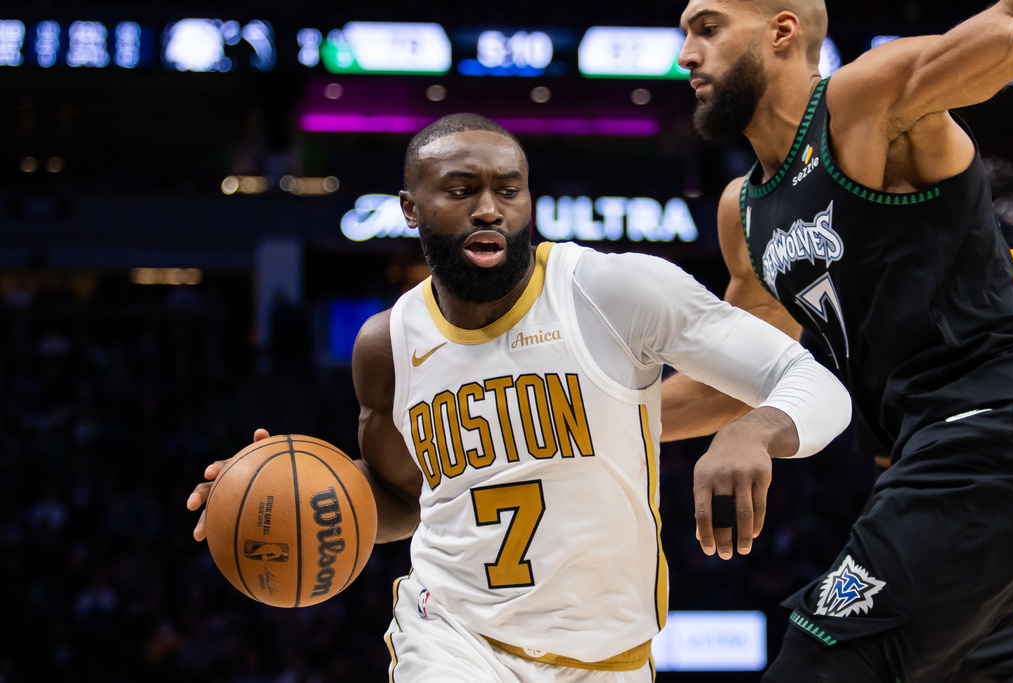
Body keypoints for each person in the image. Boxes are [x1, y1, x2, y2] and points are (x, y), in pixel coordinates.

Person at [187, 113, 851, 681]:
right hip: (452, 637)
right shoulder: (385, 344)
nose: (488, 207)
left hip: (608, 656)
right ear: (411, 208)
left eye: (509, 189)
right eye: (461, 189)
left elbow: (817, 383)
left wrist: (754, 428)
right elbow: (401, 499)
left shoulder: (610, 291)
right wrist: (286, 488)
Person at [668, 0, 1013, 680]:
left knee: (815, 667)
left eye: (707, 29)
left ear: (782, 31)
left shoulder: (864, 99)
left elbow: (1009, 35)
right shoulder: (742, 211)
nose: (686, 54)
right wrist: (585, 420)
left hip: (989, 430)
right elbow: (730, 379)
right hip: (945, 467)